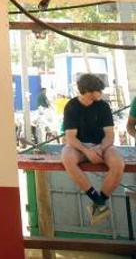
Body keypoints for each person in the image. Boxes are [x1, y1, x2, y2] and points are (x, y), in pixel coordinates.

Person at [62, 73, 125, 224]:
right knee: (67, 158)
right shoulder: (71, 106)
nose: (102, 93)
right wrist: (87, 151)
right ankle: (96, 198)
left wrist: (100, 149)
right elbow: (71, 138)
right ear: (89, 91)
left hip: (102, 145)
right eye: (99, 90)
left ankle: (99, 203)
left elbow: (110, 135)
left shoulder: (103, 106)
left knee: (118, 163)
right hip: (79, 147)